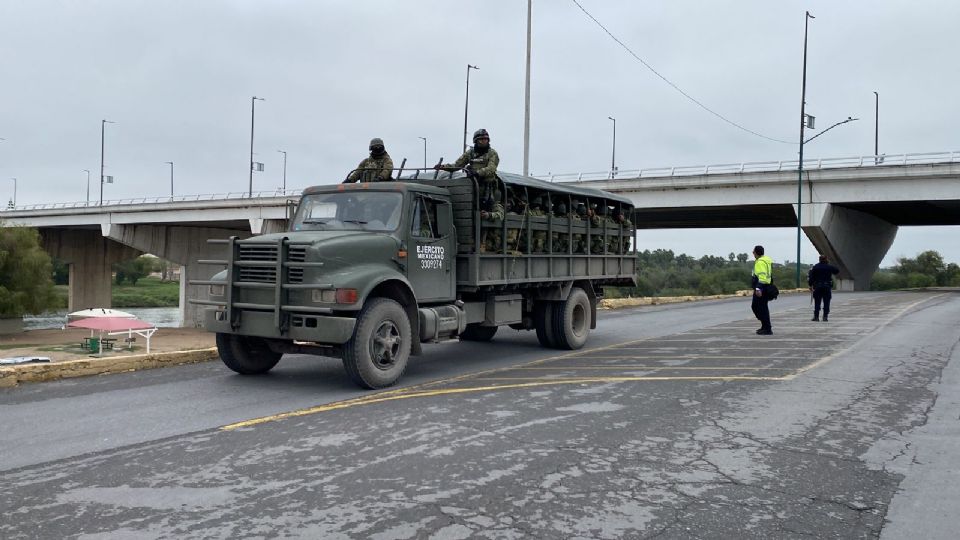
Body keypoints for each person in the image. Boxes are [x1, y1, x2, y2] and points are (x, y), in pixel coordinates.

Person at [435, 129, 500, 197]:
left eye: (486, 139)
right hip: (472, 184)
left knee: (494, 206)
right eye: (481, 139)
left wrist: (477, 173)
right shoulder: (470, 153)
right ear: (476, 141)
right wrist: (443, 167)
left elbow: (491, 168)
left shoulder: (492, 153)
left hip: (488, 187)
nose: (484, 141)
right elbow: (457, 165)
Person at [808, 255, 840, 321]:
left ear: (819, 260)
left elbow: (811, 278)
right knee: (826, 302)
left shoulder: (815, 267)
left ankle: (816, 317)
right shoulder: (829, 267)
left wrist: (810, 285)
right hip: (827, 287)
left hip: (817, 287)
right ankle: (825, 317)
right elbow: (837, 271)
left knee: (817, 302)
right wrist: (829, 266)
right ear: (826, 259)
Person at [751, 245, 774, 335]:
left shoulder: (760, 262)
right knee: (762, 307)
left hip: (761, 287)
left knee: (757, 307)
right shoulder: (766, 260)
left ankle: (767, 328)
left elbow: (762, 276)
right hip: (765, 286)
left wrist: (758, 288)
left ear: (756, 253)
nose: (752, 253)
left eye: (753, 251)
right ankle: (765, 326)